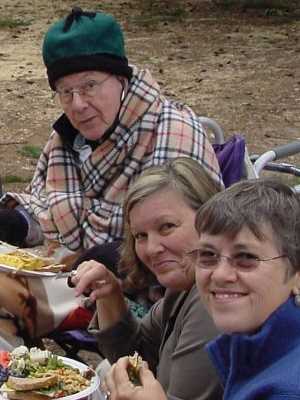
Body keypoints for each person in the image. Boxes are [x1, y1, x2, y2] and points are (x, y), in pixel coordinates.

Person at [0, 6, 223, 345]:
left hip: (144, 294)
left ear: (121, 80)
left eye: (89, 86)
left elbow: (179, 250)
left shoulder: (171, 133)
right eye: (65, 91)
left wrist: (109, 255)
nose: (77, 104)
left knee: (3, 302)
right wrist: (13, 223)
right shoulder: (66, 140)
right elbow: (47, 210)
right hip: (71, 270)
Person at [103, 178, 300, 400]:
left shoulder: (286, 389)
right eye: (208, 255)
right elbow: (137, 352)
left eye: (246, 257)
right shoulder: (250, 347)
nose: (220, 274)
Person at [71, 157, 223, 400]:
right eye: (140, 235)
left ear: (209, 218)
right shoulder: (182, 285)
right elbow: (136, 357)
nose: (151, 248)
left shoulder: (213, 300)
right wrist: (110, 294)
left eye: (166, 227)